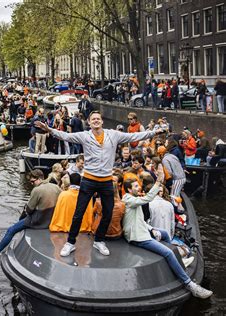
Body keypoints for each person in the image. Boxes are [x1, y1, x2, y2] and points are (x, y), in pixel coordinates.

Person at [35, 110, 165, 256]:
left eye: (98, 119)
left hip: (106, 181)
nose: (96, 121)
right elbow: (65, 135)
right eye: (93, 119)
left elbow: (134, 135)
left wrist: (152, 133)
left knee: (108, 213)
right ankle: (70, 242)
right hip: (89, 180)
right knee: (79, 212)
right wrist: (49, 129)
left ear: (102, 122)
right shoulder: (84, 136)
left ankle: (99, 240)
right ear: (89, 123)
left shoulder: (113, 135)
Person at [122, 168, 213, 299]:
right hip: (138, 237)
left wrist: (152, 228)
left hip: (142, 230)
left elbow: (139, 220)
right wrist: (159, 181)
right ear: (129, 190)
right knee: (168, 252)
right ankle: (190, 285)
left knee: (164, 233)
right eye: (136, 186)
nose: (139, 187)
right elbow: (147, 198)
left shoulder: (133, 199)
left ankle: (179, 259)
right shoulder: (130, 200)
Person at [0, 170, 61, 259]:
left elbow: (29, 210)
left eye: (32, 181)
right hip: (52, 219)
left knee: (11, 230)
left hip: (38, 221)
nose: (32, 184)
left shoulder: (37, 190)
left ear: (39, 179)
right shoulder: (56, 187)